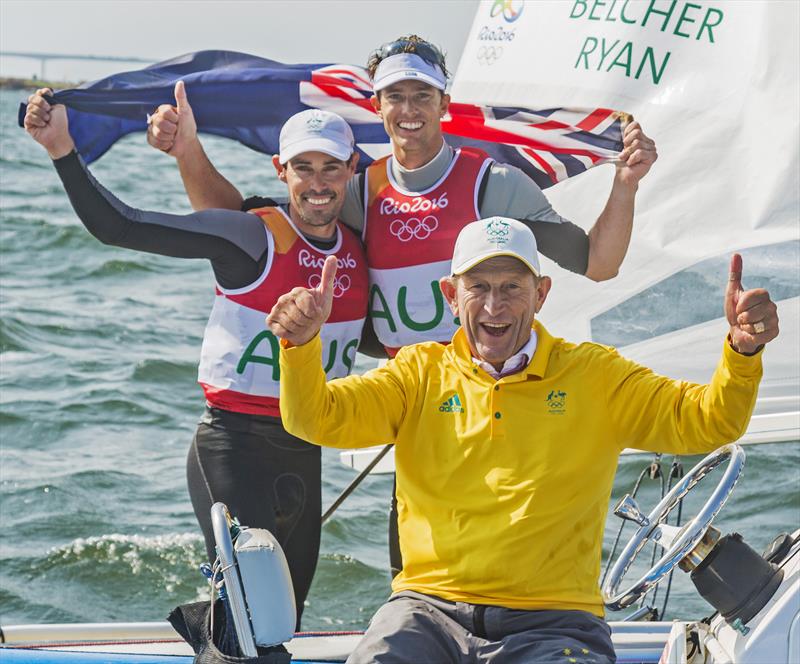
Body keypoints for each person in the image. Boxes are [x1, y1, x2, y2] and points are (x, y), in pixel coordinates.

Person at [147, 34, 658, 572]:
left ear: (444, 103)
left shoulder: (494, 185)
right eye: (396, 96)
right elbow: (245, 230)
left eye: (422, 95)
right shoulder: (358, 190)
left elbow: (598, 263)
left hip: (493, 402)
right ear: (378, 106)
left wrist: (624, 184)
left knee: (503, 556)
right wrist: (188, 151)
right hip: (415, 404)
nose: (408, 110)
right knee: (415, 567)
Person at [266, 217, 778, 663]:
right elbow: (318, 420)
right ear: (451, 294)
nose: (495, 304)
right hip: (426, 612)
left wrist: (741, 351)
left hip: (554, 622)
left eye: (512, 286)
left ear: (542, 294)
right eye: (478, 287)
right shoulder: (417, 373)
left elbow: (708, 422)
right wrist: (301, 346)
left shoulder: (594, 375)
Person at [23, 89, 369, 627]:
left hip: (306, 450)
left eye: (330, 168)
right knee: (255, 621)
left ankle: (202, 630)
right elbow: (122, 225)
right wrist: (62, 150)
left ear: (351, 169)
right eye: (303, 167)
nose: (318, 182)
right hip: (233, 448)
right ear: (281, 171)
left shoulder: (357, 250)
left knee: (282, 622)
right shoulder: (252, 236)